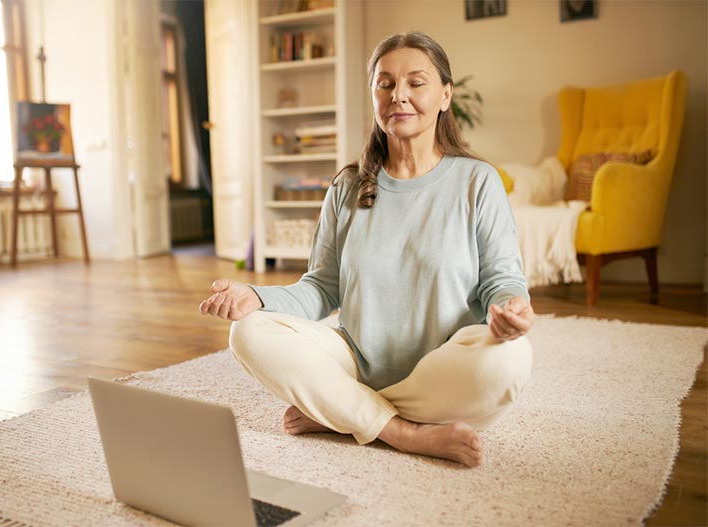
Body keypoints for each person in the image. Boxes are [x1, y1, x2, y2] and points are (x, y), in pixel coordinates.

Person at [199, 31, 534, 468]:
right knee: (247, 332)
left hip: (443, 369)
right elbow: (321, 288)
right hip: (356, 362)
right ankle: (403, 432)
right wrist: (256, 297)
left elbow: (501, 277)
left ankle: (345, 411)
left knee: (509, 362)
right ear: (374, 94)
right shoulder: (348, 186)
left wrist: (512, 308)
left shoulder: (477, 181)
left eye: (416, 83)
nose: (399, 96)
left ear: (445, 95)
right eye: (385, 83)